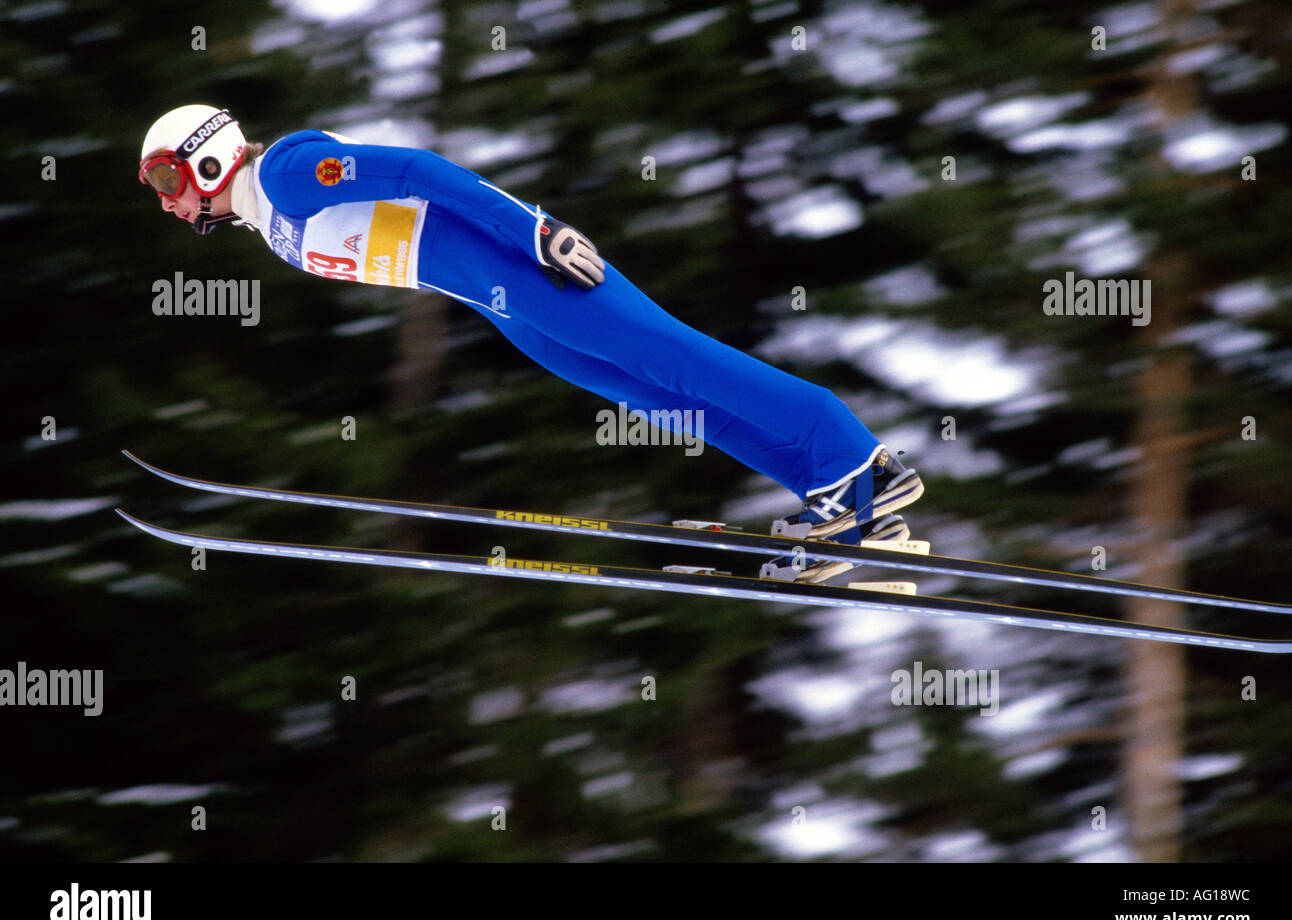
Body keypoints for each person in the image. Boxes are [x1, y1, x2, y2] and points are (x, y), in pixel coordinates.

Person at [138, 104, 923, 582]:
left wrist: (537, 231)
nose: (169, 204)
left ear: (208, 157)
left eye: (170, 183)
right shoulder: (263, 217)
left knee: (674, 359)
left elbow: (418, 169)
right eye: (158, 192)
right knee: (657, 396)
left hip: (524, 264)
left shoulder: (282, 174)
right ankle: (843, 501)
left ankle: (858, 457)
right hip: (494, 299)